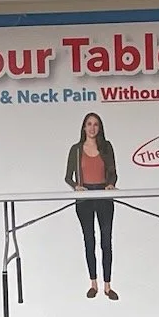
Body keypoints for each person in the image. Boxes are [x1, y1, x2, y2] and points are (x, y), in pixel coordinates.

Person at [61, 111, 119, 299]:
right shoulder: (76, 149)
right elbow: (68, 177)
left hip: (104, 195)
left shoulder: (106, 147)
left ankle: (108, 286)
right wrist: (76, 186)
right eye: (89, 124)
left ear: (99, 127)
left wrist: (111, 184)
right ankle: (93, 283)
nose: (92, 128)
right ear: (84, 127)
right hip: (84, 196)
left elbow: (113, 172)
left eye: (95, 124)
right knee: (89, 240)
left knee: (106, 240)